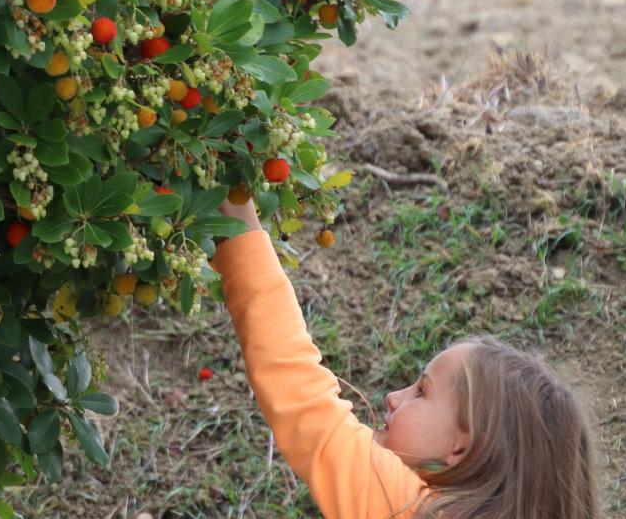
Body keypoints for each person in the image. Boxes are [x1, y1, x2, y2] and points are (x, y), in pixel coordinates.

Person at [211, 197, 601, 519]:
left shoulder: (408, 507)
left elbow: (304, 401)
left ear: (462, 449)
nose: (394, 396)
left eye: (422, 392)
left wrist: (237, 215)